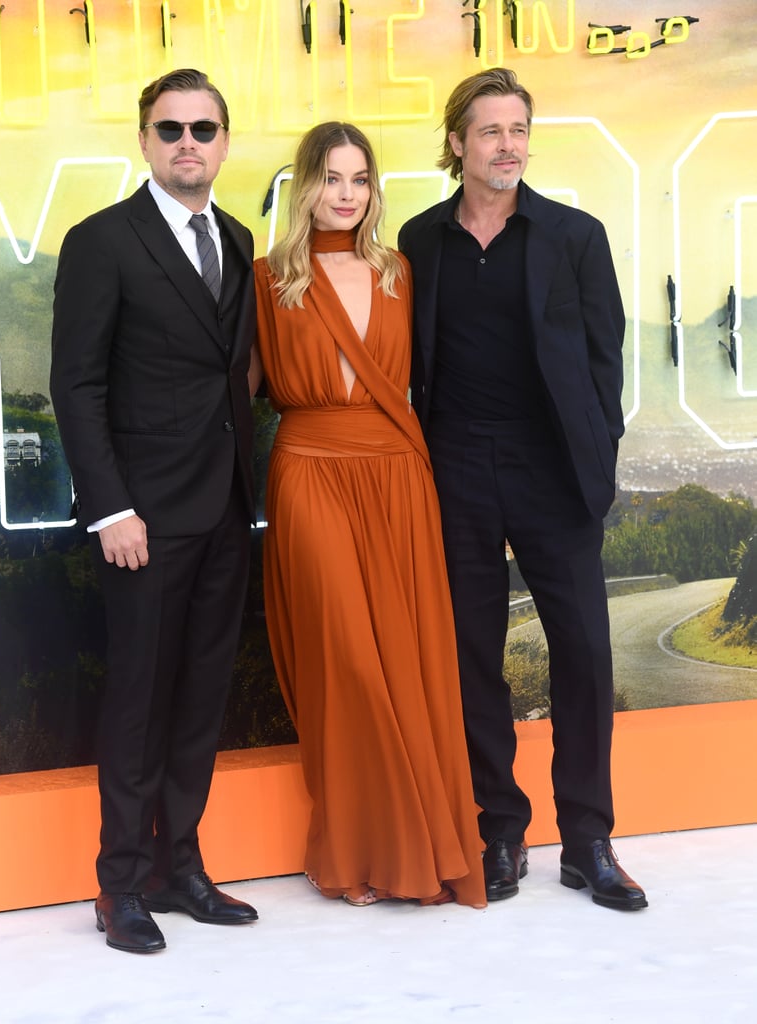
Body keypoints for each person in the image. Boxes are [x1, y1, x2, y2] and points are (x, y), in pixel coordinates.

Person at [398, 68, 647, 911]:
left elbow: (606, 363)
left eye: (518, 130)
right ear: (458, 143)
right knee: (473, 659)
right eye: (491, 131)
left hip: (553, 471)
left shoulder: (576, 236)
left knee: (583, 654)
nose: (508, 145)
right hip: (457, 466)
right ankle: (499, 832)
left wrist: (599, 458)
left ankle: (588, 840)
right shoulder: (420, 239)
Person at [249, 122, 486, 908]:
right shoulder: (265, 278)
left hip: (395, 475)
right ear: (304, 186)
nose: (345, 194)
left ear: (373, 190)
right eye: (330, 178)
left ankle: (413, 845)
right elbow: (228, 393)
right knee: (345, 658)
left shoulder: (398, 271)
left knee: (408, 663)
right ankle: (356, 849)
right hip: (308, 470)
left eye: (359, 179)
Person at [50, 68, 259, 953]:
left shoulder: (240, 238)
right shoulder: (102, 240)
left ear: (222, 140)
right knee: (137, 702)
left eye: (203, 129)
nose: (187, 143)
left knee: (199, 700)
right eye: (169, 129)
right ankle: (120, 885)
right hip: (142, 520)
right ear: (143, 140)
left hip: (225, 516)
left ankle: (182, 869)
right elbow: (77, 382)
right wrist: (111, 509)